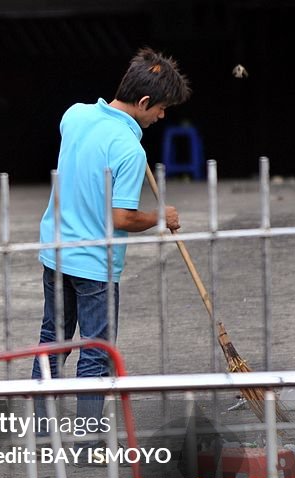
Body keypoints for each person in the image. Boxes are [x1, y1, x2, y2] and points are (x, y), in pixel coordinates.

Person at [32, 47, 191, 441]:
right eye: (161, 109)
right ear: (143, 102)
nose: (162, 116)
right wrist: (161, 217)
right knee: (96, 351)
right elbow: (120, 218)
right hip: (94, 264)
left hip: (55, 252)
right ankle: (87, 439)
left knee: (53, 341)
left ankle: (38, 428)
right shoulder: (129, 149)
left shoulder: (75, 115)